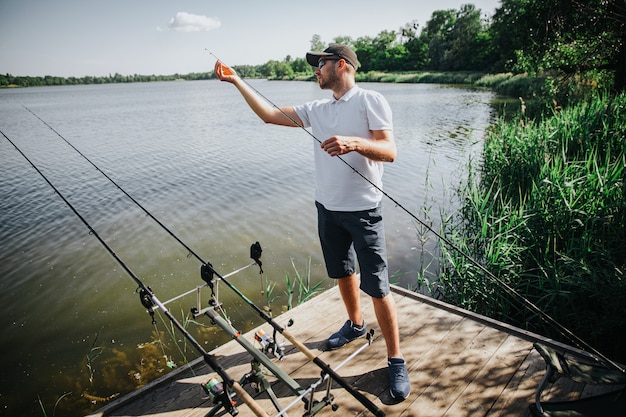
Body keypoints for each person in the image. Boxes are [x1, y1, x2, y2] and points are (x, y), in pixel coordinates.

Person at [214, 44, 411, 400]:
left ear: (341, 65)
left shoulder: (370, 100)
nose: (316, 71)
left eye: (320, 64)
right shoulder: (317, 110)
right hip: (327, 208)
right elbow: (269, 114)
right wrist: (237, 81)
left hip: (364, 210)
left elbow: (390, 151)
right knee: (342, 271)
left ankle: (395, 359)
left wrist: (354, 143)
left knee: (378, 287)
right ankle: (354, 324)